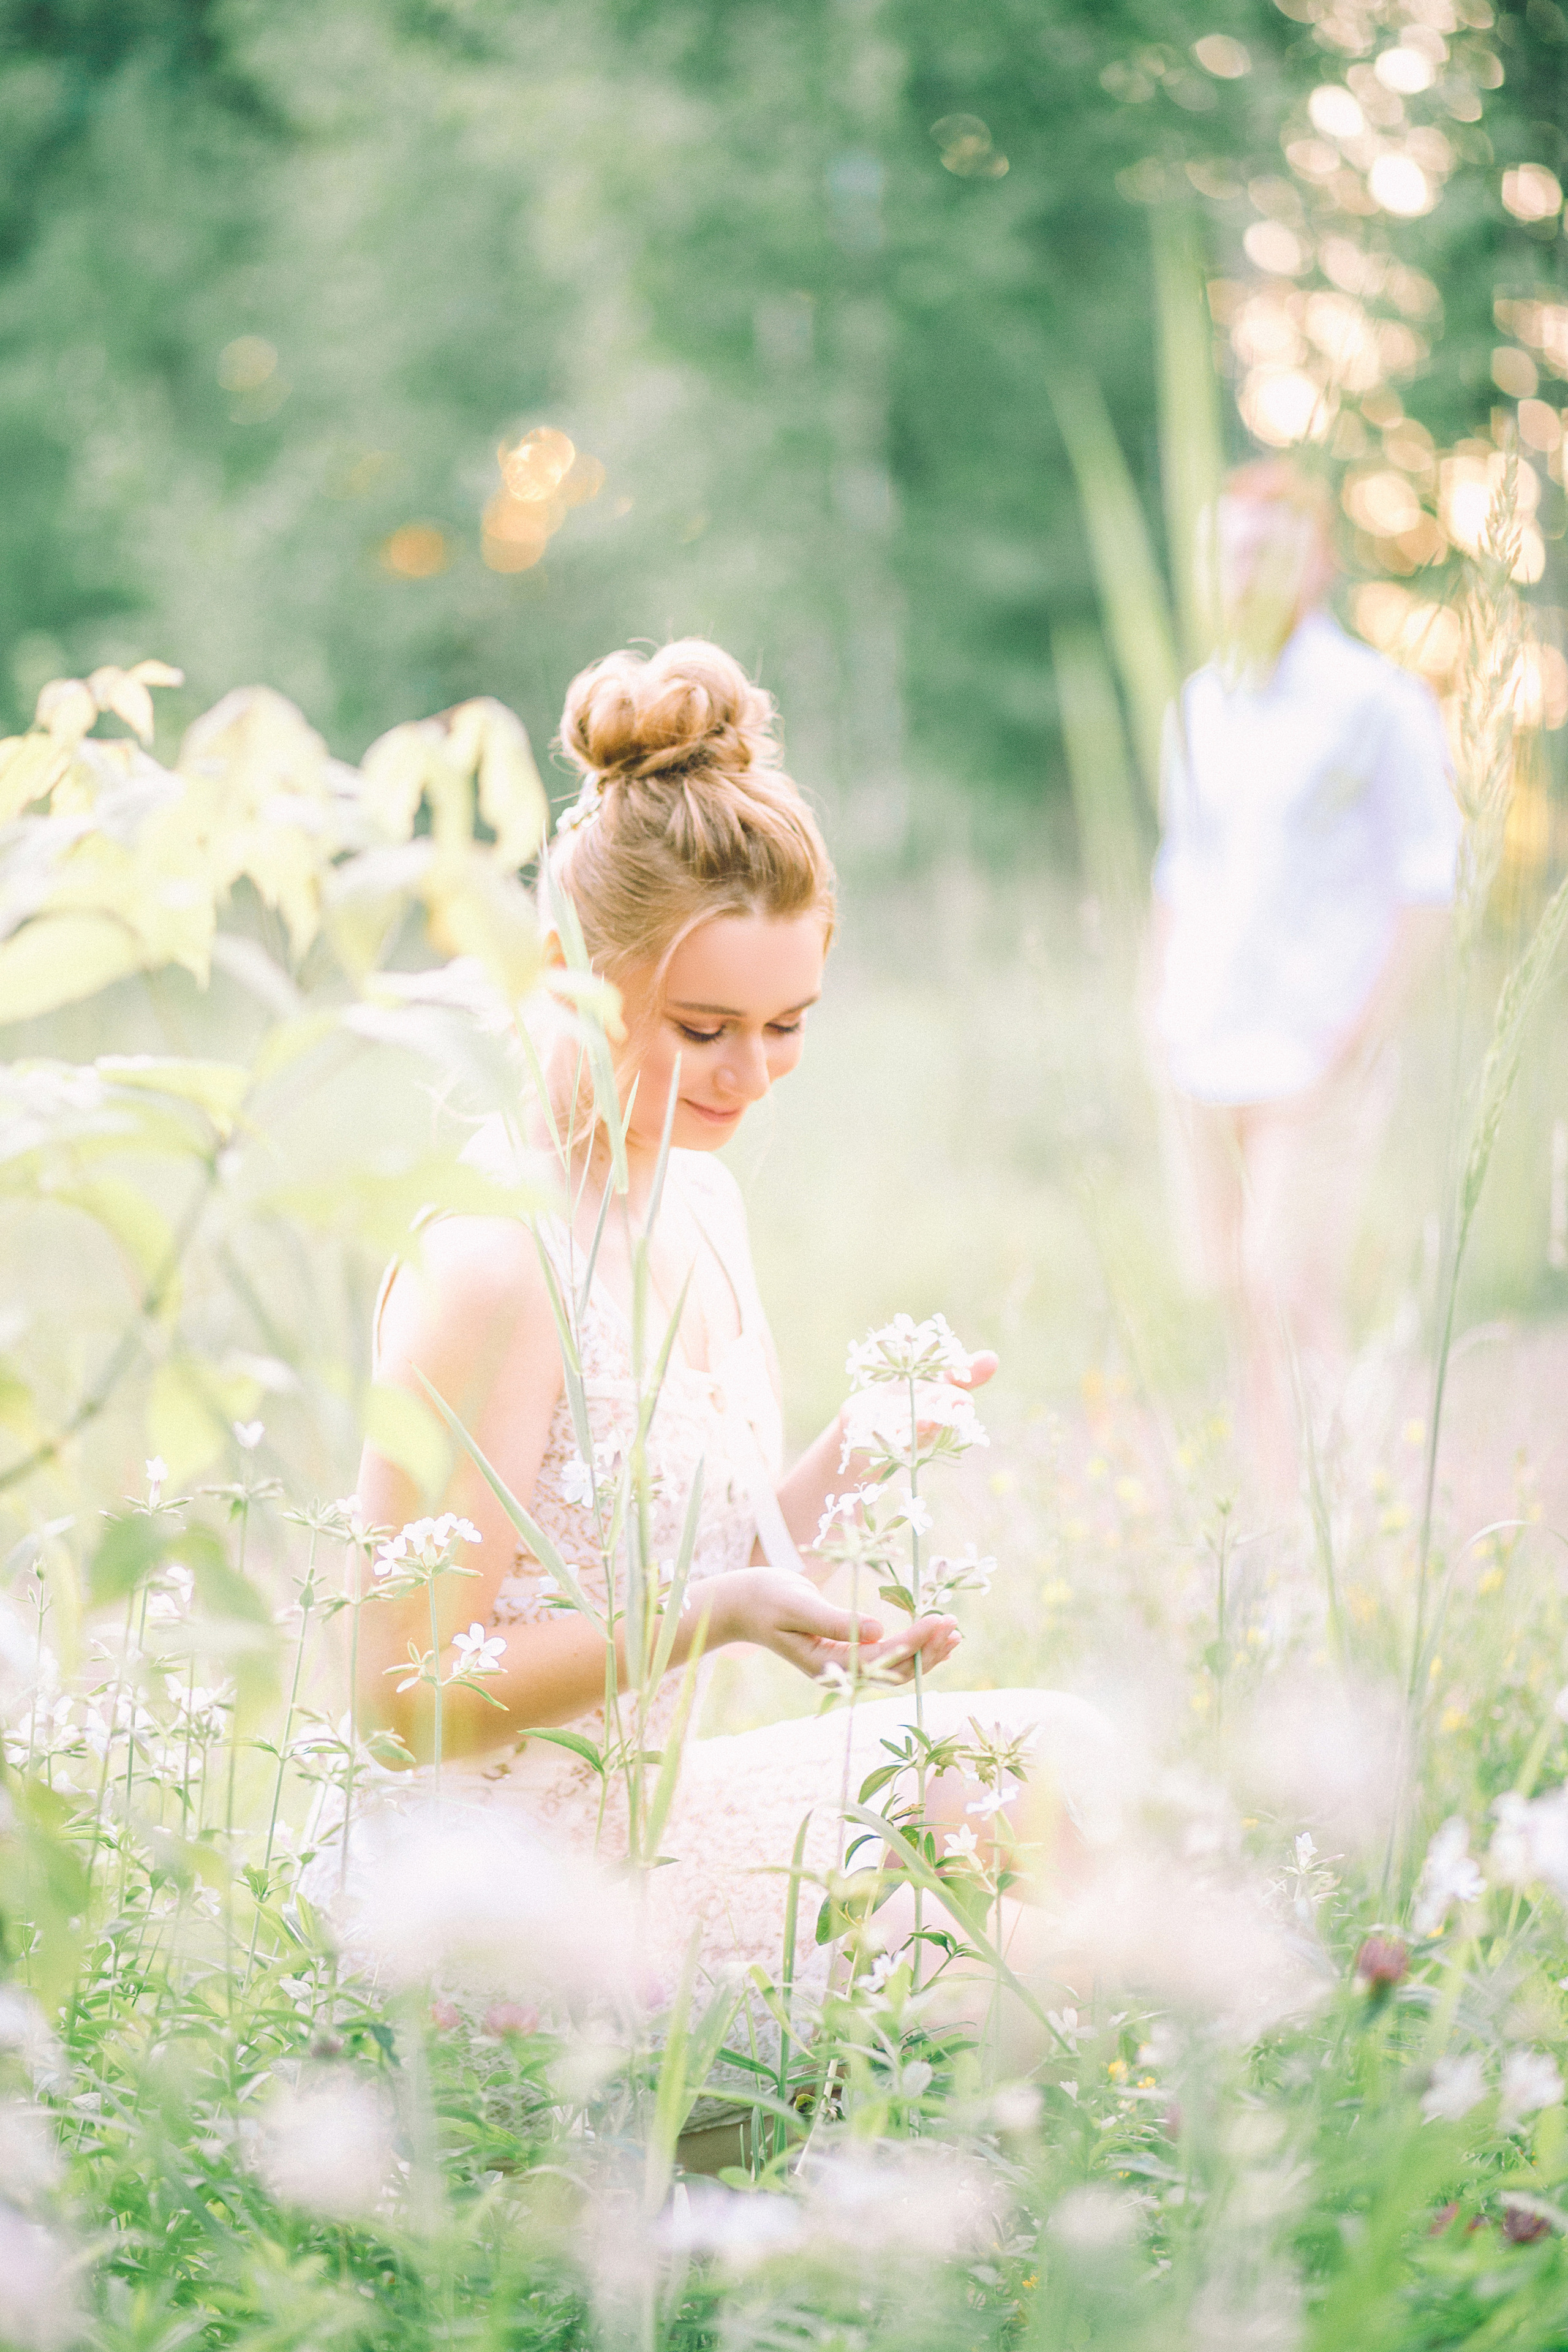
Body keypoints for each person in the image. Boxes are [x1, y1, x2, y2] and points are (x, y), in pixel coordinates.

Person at [344, 637, 1112, 2050]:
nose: (750, 1076)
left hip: (650, 1826)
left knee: (1056, 1766)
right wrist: (712, 1619)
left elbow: (685, 1556)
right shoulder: (493, 1263)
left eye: (786, 1024)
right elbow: (401, 1703)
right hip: (496, 1907)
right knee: (1014, 1970)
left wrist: (848, 1463)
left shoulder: (694, 1196)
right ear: (568, 975)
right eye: (702, 1029)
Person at [1148, 459, 1459, 1502]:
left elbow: (1429, 885)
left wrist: (1351, 1042)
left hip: (1313, 1051)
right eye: (1222, 554)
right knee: (1241, 1297)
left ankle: (1343, 1513)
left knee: (1290, 1289)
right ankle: (1271, 1509)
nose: (1239, 574)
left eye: (1261, 553)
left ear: (1316, 562)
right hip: (1203, 1045)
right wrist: (1157, 1015)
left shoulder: (1378, 705)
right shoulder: (1202, 705)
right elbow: (1181, 871)